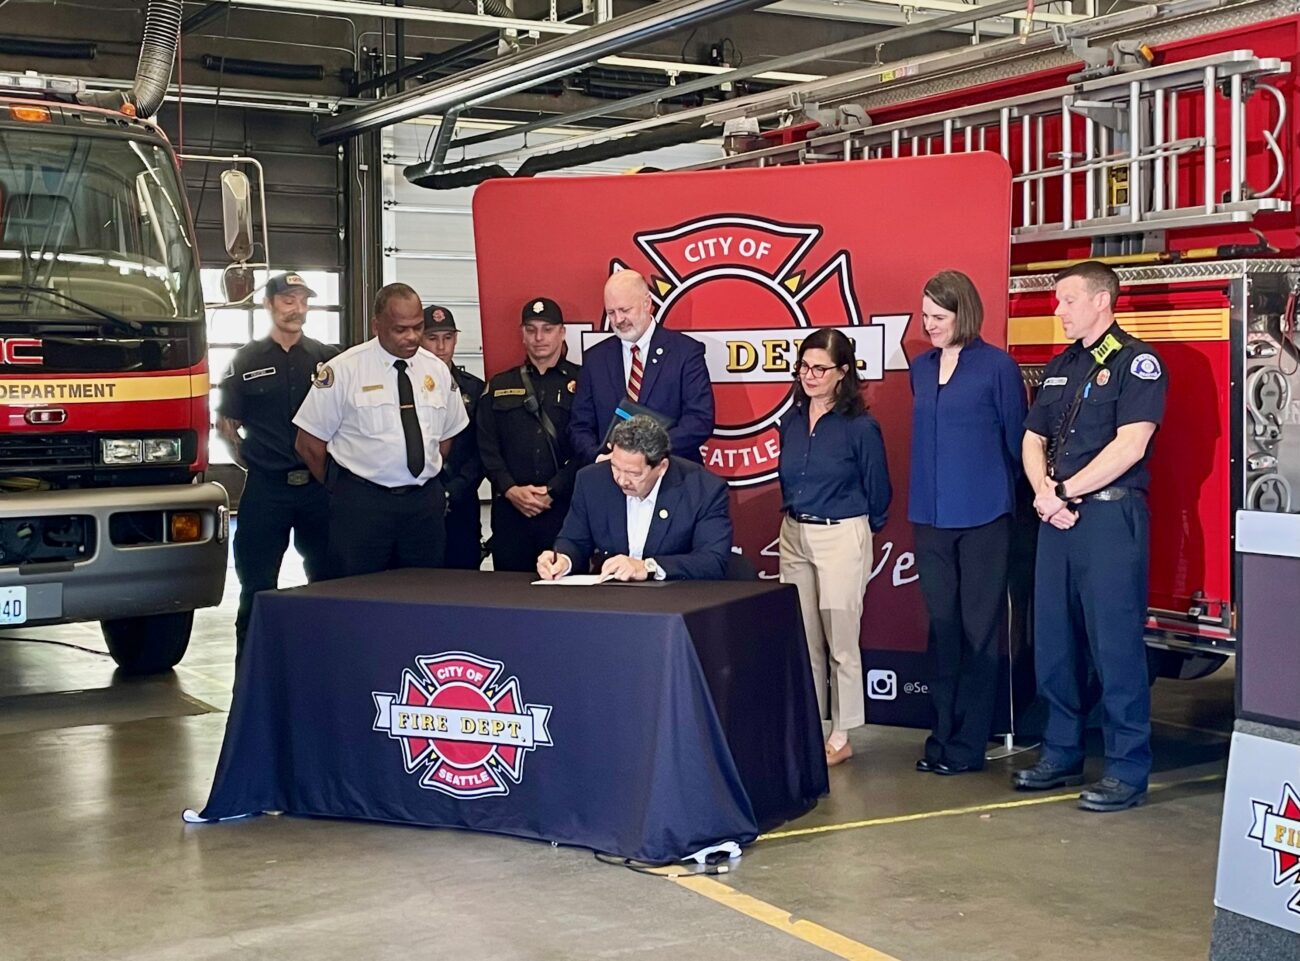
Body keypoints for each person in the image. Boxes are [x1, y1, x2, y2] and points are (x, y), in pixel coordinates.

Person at [1014, 260, 1167, 812]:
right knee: (1053, 640)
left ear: (1102, 301)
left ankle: (1127, 769)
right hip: (1056, 518)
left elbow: (1131, 444)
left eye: (1068, 300)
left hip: (1107, 518)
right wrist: (1043, 492)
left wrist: (1065, 491)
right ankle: (1061, 751)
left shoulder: (1137, 364)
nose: (1058, 311)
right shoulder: (1062, 366)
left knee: (1115, 646)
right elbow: (1033, 437)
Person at [908, 270, 1027, 776]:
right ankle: (941, 736)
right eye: (925, 316)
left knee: (980, 630)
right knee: (943, 629)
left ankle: (968, 745)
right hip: (931, 518)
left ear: (964, 314)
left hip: (984, 518)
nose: (928, 325)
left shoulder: (997, 367)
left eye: (938, 317)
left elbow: (1018, 440)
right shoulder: (920, 366)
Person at [293, 283, 469, 577]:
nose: (412, 337)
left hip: (423, 506)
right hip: (363, 506)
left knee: (423, 595)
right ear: (377, 326)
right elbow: (309, 444)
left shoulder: (436, 371)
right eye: (400, 329)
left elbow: (446, 436)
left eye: (417, 327)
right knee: (357, 598)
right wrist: (343, 489)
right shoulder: (344, 370)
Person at [777, 328, 891, 768]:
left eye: (820, 368)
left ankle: (841, 734)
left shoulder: (860, 427)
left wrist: (862, 531)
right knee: (805, 640)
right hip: (794, 534)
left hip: (842, 532)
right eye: (804, 367)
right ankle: (811, 727)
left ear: (843, 373)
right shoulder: (790, 420)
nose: (809, 375)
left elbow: (879, 490)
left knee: (840, 640)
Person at [217, 271, 338, 655]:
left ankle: (322, 663)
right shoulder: (245, 360)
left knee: (328, 584)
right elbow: (227, 426)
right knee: (256, 589)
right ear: (269, 304)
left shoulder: (326, 359)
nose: (297, 309)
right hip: (266, 491)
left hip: (319, 490)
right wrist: (250, 458)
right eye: (288, 300)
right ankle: (249, 678)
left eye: (303, 301)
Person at [536, 415, 732, 582]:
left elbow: (712, 560)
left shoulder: (704, 489)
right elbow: (574, 540)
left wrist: (648, 567)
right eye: (615, 467)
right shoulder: (591, 480)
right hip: (610, 601)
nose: (621, 480)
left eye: (633, 473)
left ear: (661, 467)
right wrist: (562, 559)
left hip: (674, 602)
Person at [478, 297, 582, 572]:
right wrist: (510, 490)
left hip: (565, 511)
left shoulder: (584, 384)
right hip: (511, 513)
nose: (539, 337)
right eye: (531, 329)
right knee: (509, 598)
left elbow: (590, 449)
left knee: (566, 599)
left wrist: (553, 490)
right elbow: (486, 446)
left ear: (562, 332)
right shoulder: (500, 384)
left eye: (547, 329)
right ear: (522, 334)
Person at [568, 271, 714, 464]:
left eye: (625, 310)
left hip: (672, 477)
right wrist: (598, 457)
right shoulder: (595, 359)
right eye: (611, 312)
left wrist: (648, 453)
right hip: (611, 478)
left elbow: (699, 420)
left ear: (647, 304)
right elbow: (579, 426)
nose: (618, 320)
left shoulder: (685, 352)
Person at [422, 304, 485, 569]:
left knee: (464, 581)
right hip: (418, 498)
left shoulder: (473, 387)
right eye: (433, 338)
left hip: (461, 498)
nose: (441, 347)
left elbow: (482, 449)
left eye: (447, 338)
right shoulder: (403, 385)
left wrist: (454, 490)